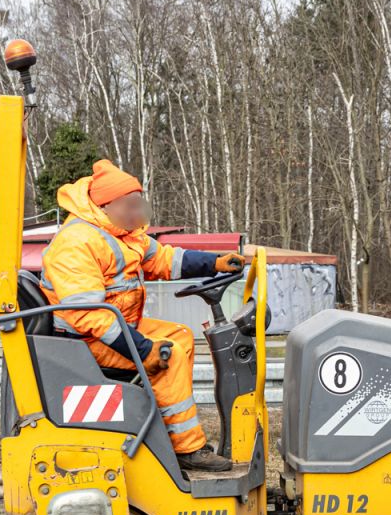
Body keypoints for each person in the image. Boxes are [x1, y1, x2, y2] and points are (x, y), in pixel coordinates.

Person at [39, 159, 245, 472]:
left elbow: (163, 259)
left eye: (139, 205)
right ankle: (187, 448)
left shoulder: (121, 233)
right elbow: (89, 316)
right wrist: (144, 350)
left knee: (180, 335)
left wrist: (214, 263)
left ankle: (166, 427)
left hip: (116, 326)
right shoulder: (76, 243)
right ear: (108, 206)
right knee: (168, 354)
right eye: (131, 206)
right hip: (84, 342)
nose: (139, 214)